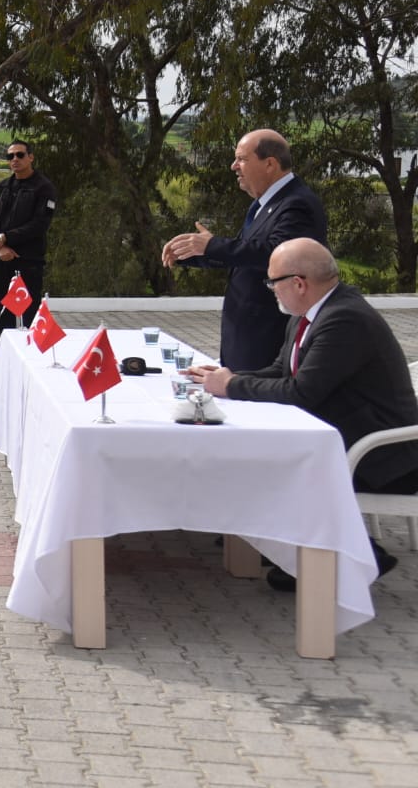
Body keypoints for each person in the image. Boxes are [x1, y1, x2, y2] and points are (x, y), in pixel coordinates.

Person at [188, 238, 418, 583]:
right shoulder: (311, 313)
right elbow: (281, 371)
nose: (270, 290)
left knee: (271, 462)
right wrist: (227, 377)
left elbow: (299, 393)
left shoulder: (344, 319)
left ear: (298, 283)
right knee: (263, 454)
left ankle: (354, 555)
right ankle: (291, 545)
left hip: (384, 456)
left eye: (273, 282)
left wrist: (232, 386)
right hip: (350, 434)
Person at [164, 129, 331, 371]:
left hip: (267, 338)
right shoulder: (264, 204)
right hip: (245, 337)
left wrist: (212, 245)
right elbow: (244, 256)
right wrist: (191, 253)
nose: (234, 166)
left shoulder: (297, 203)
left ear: (270, 164)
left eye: (241, 159)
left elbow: (275, 254)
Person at [0, 141, 59, 335]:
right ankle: (4, 353)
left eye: (20, 155)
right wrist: (0, 247)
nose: (15, 159)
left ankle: (30, 352)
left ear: (30, 157)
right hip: (2, 260)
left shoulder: (44, 188)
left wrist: (6, 238)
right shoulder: (0, 188)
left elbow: (39, 224)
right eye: (10, 156)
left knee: (30, 315)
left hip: (29, 261)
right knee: (4, 313)